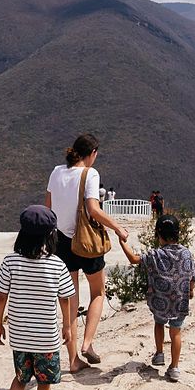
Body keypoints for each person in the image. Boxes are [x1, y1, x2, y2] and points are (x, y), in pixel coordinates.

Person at [46, 133, 130, 372]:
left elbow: (48, 208)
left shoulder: (56, 172)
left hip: (61, 241)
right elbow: (93, 209)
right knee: (98, 292)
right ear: (92, 153)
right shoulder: (90, 174)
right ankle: (87, 344)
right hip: (87, 242)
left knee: (70, 300)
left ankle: (73, 361)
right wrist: (117, 227)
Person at [0, 205, 75, 390]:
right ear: (51, 235)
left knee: (21, 375)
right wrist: (67, 327)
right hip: (45, 337)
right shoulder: (57, 265)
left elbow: (1, 295)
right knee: (44, 381)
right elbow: (65, 299)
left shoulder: (10, 261)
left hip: (19, 335)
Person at [117, 215, 195, 382]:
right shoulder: (186, 253)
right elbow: (193, 275)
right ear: (178, 234)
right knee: (176, 332)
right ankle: (175, 368)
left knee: (159, 322)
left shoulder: (156, 254)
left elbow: (134, 259)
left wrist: (122, 243)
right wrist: (190, 290)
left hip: (160, 300)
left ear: (158, 235)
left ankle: (160, 353)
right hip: (179, 301)